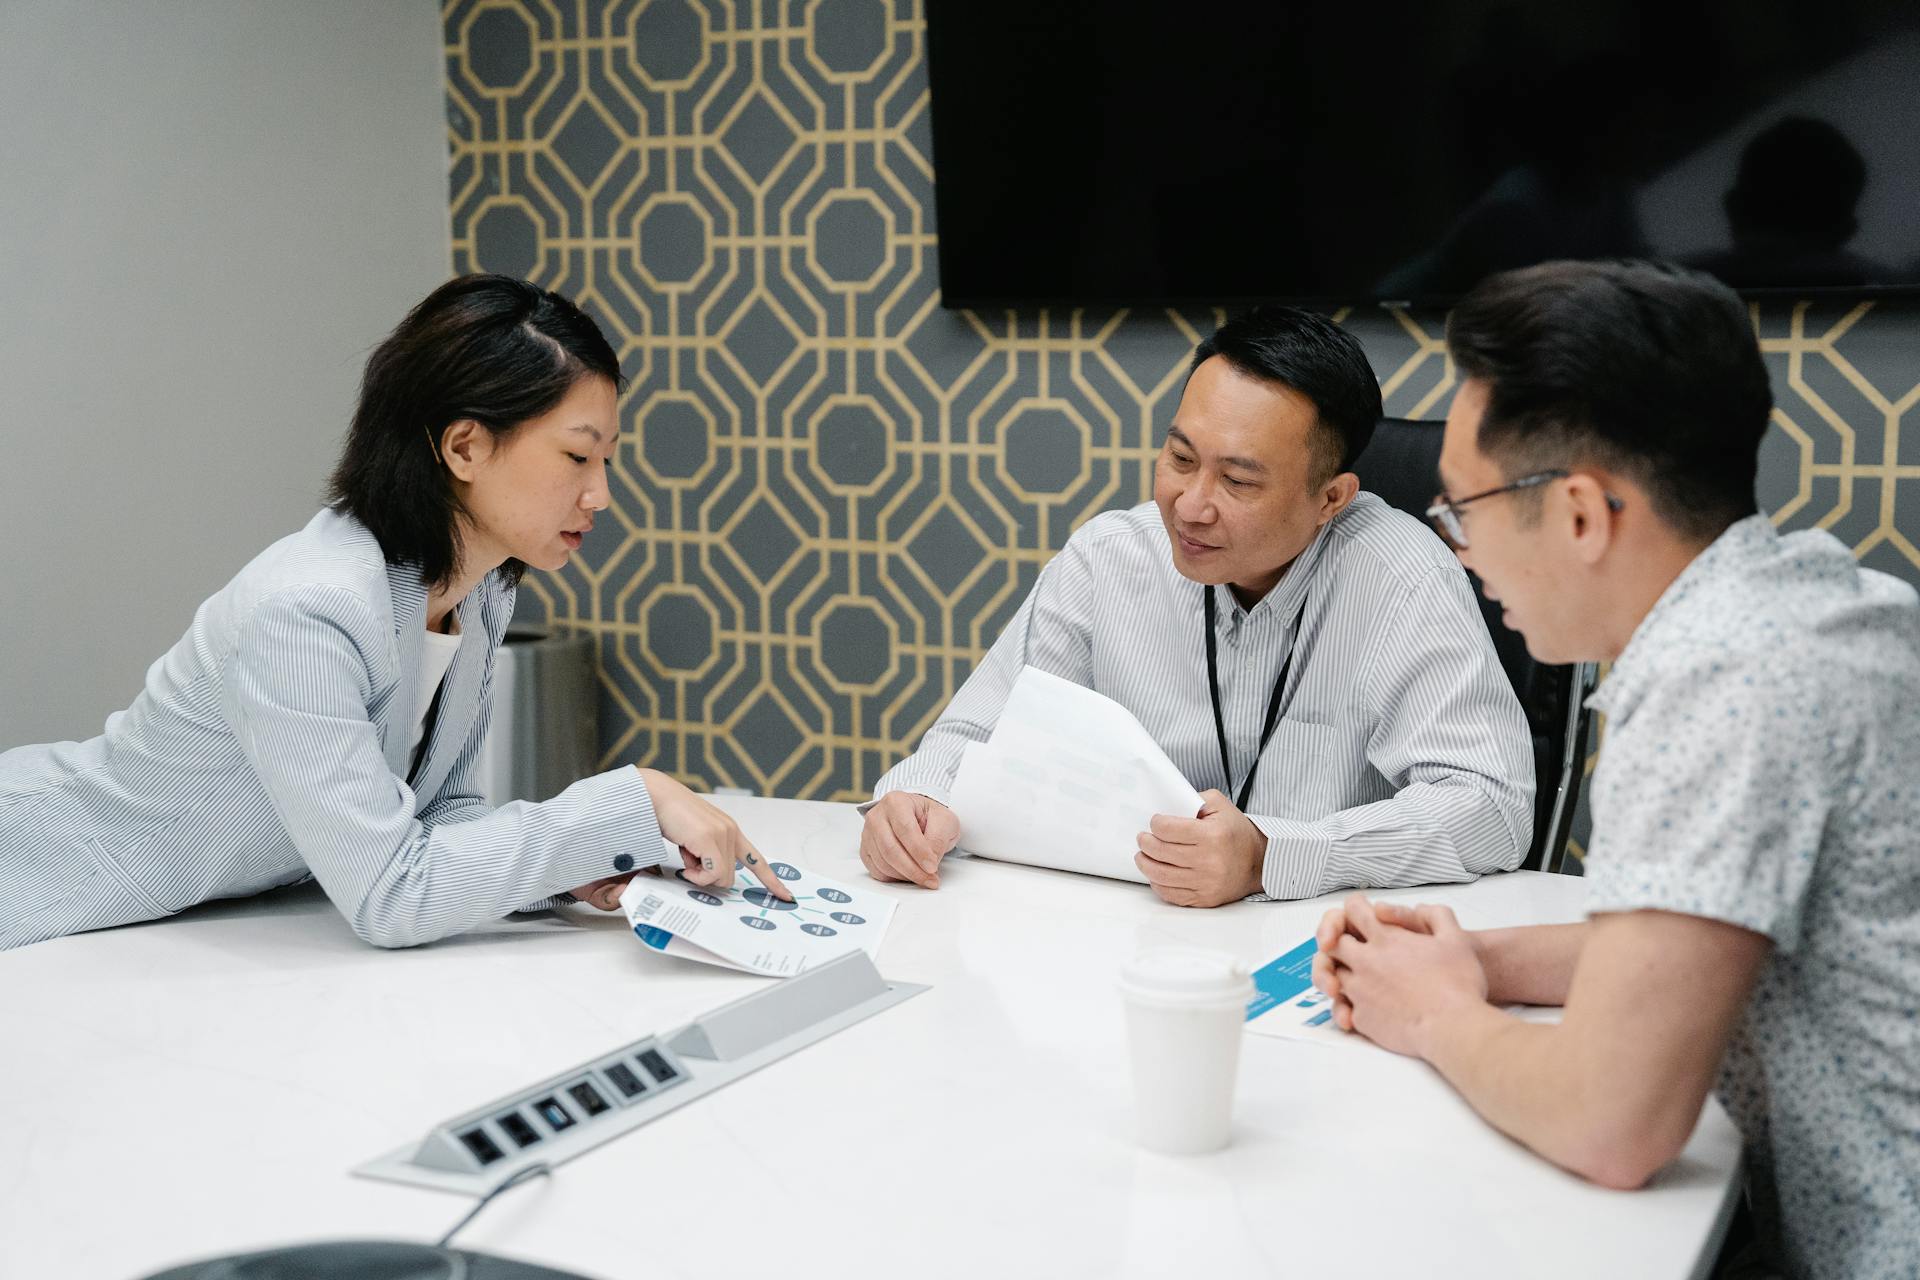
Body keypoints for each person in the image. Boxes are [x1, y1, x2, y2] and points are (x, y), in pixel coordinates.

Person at [1312, 260, 1919, 1278]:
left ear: (1585, 513)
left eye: (1462, 510)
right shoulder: (1810, 599)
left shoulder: (1722, 684)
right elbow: (1698, 933)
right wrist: (1477, 960)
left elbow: (1612, 1122)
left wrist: (1435, 1013)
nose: (1458, 550)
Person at [0, 274, 790, 952]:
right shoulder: (304, 610)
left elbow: (437, 818)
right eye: (577, 456)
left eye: (607, 459)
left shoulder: (473, 592)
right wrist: (633, 797)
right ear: (465, 447)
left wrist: (574, 865)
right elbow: (390, 894)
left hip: (165, 935)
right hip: (41, 891)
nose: (600, 494)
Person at [860, 307, 1534, 906]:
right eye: (1180, 458)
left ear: (1332, 498)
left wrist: (1272, 854)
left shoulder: (1402, 578)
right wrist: (918, 801)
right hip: (1120, 932)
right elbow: (976, 738)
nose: (1190, 505)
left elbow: (1492, 807)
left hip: (1321, 942)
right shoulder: (1109, 559)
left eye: (1238, 480)